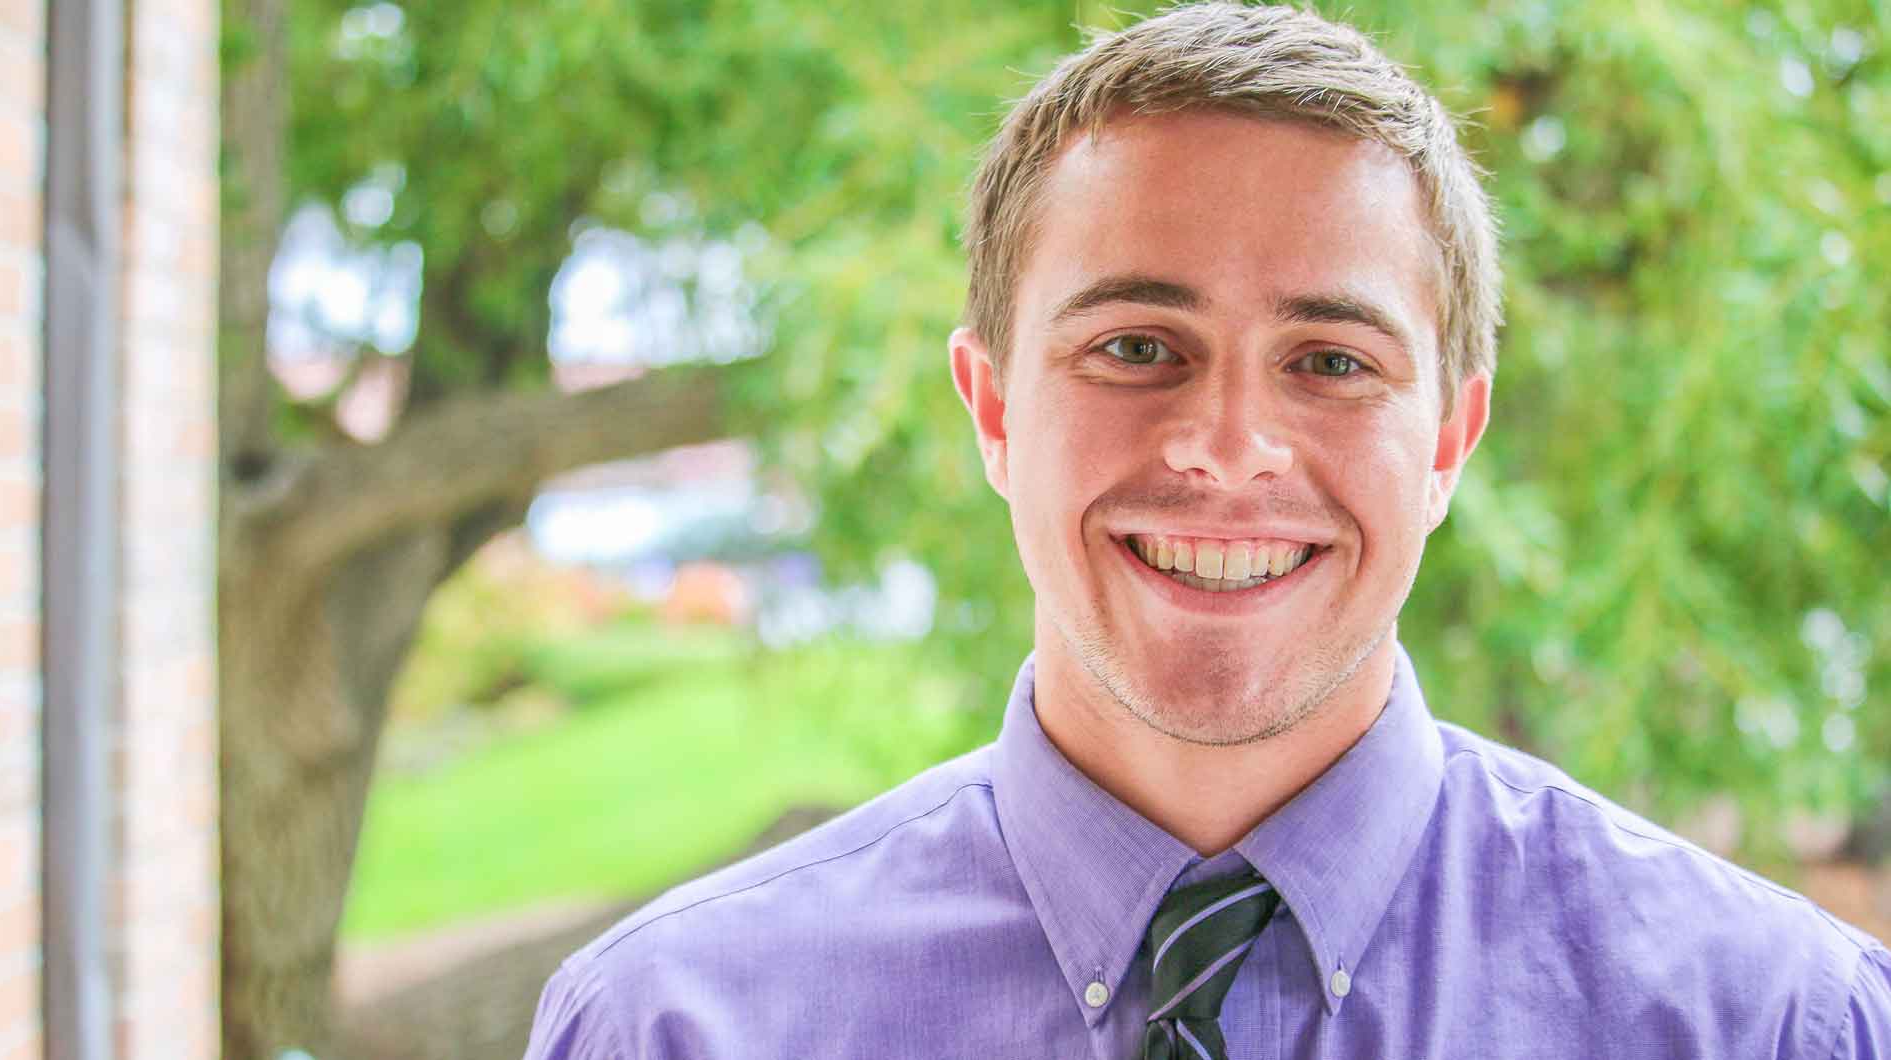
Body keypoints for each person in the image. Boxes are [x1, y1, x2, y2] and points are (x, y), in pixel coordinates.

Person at [524, 4, 1891, 1057]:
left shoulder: (1771, 1022)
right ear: (994, 409)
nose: (1228, 448)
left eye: (1333, 361)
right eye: (1135, 344)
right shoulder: (675, 1027)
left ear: (1450, 441)